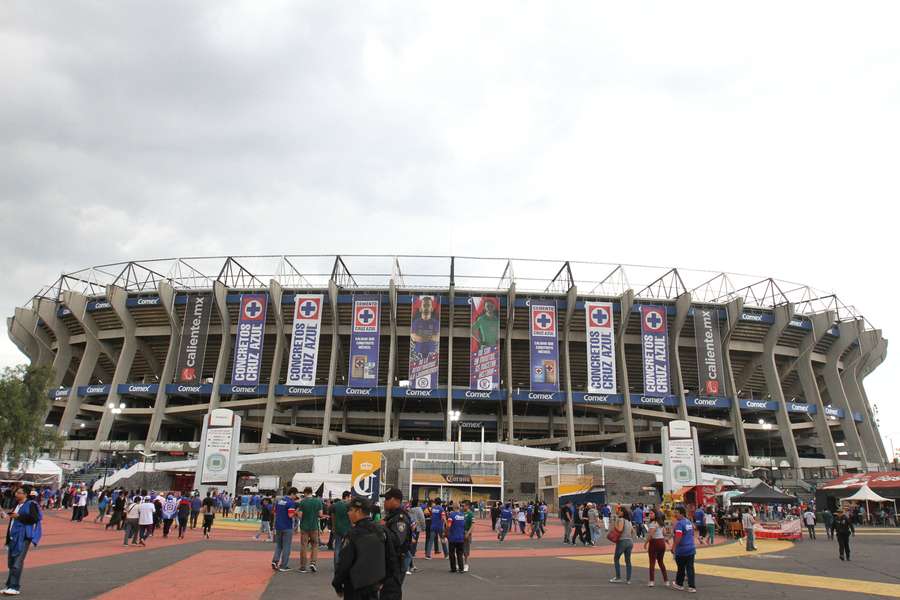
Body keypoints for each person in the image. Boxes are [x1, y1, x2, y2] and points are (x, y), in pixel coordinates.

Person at [332, 497, 397, 600]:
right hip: (373, 586)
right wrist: (382, 581)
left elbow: (344, 564)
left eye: (350, 510)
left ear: (358, 511)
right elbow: (391, 559)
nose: (348, 513)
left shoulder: (353, 534)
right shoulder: (382, 531)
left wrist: (337, 585)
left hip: (354, 588)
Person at [2, 487, 42, 596]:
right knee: (11, 562)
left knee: (17, 562)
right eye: (16, 492)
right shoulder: (17, 505)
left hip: (23, 536)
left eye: (19, 492)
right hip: (13, 536)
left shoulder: (31, 504)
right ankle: (9, 585)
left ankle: (14, 587)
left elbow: (35, 518)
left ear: (25, 494)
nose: (16, 494)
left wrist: (19, 516)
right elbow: (12, 521)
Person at [381, 488, 411, 598]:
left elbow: (398, 540)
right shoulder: (392, 516)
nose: (385, 502)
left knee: (391, 593)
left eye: (387, 499)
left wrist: (383, 528)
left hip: (397, 561)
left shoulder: (400, 518)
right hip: (390, 560)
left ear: (395, 500)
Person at [297, 487, 324, 573]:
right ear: (311, 492)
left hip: (304, 527)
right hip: (314, 526)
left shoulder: (303, 502)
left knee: (304, 546)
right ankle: (313, 563)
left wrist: (297, 513)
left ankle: (303, 566)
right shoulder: (318, 501)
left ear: (305, 493)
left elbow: (300, 516)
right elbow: (320, 514)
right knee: (315, 545)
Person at [671, 506, 697, 593]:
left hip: (682, 549)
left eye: (676, 513)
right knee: (690, 568)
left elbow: (678, 536)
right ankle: (692, 587)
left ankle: (679, 584)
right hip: (691, 548)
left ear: (681, 514)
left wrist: (674, 547)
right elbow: (692, 533)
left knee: (681, 568)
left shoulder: (680, 524)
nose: (675, 514)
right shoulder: (688, 522)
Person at [272, 488, 298, 571]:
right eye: (295, 495)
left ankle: (275, 561)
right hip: (287, 526)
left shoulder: (279, 501)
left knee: (279, 545)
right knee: (287, 546)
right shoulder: (291, 502)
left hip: (278, 525)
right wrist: (296, 511)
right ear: (292, 494)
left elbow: (275, 512)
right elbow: (290, 515)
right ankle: (283, 565)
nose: (295, 497)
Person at [609, 505, 635, 584]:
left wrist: (615, 523)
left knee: (616, 558)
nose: (618, 512)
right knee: (628, 560)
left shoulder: (621, 519)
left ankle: (618, 577)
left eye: (619, 511)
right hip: (630, 541)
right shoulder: (629, 521)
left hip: (622, 541)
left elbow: (619, 529)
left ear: (623, 512)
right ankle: (628, 579)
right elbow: (633, 531)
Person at [644, 509, 669, 587]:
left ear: (655, 514)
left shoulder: (653, 523)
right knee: (661, 562)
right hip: (661, 542)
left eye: (652, 513)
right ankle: (666, 580)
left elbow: (651, 535)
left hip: (654, 542)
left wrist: (645, 543)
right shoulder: (661, 523)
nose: (650, 515)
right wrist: (666, 540)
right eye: (650, 513)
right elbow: (664, 533)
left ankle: (652, 581)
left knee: (652, 562)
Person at [446, 503, 467, 573]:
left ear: (453, 507)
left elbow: (448, 526)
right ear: (459, 507)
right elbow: (464, 525)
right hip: (461, 537)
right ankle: (461, 568)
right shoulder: (463, 515)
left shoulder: (451, 515)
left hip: (453, 537)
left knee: (452, 553)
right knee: (460, 553)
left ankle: (453, 568)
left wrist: (446, 532)